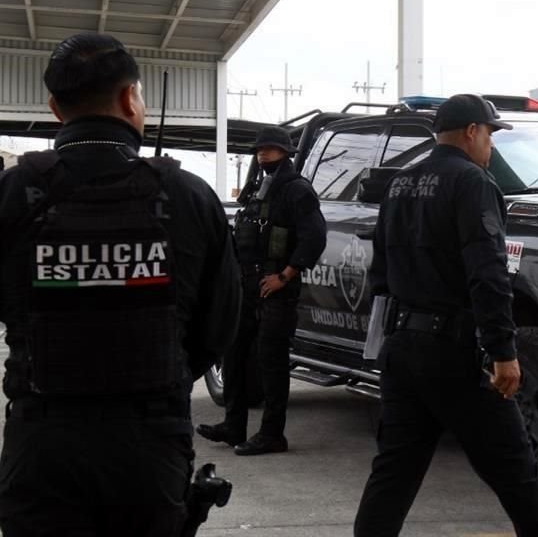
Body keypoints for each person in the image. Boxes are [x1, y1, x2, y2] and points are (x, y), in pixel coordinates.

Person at [0, 32, 241, 536]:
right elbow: (219, 325)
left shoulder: (14, 191)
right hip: (149, 444)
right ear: (131, 97)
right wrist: (159, 372)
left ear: (54, 107)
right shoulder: (189, 195)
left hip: (43, 440)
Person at [354, 94, 538, 537]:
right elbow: (487, 272)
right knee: (516, 470)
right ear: (472, 132)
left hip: (403, 349)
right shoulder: (474, 183)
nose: (490, 145)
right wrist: (503, 352)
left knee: (393, 474)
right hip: (455, 355)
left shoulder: (400, 184)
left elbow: (381, 275)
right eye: (489, 134)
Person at [197, 126, 327, 456]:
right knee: (236, 356)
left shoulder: (297, 190)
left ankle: (272, 434)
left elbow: (314, 237)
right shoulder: (258, 188)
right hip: (249, 286)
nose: (262, 154)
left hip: (276, 289)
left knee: (272, 361)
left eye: (270, 149)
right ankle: (233, 425)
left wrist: (284, 275)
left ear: (285, 152)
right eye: (259, 149)